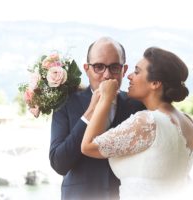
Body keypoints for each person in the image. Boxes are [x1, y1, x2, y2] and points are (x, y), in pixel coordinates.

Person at [81, 47, 193, 200]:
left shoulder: (147, 121)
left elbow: (88, 146)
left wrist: (105, 99)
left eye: (136, 72)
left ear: (155, 83)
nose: (129, 76)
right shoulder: (189, 122)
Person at [49, 37, 145, 200]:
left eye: (114, 67)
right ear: (87, 69)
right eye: (99, 67)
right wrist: (91, 110)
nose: (107, 75)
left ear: (124, 69)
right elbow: (59, 164)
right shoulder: (66, 103)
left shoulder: (137, 106)